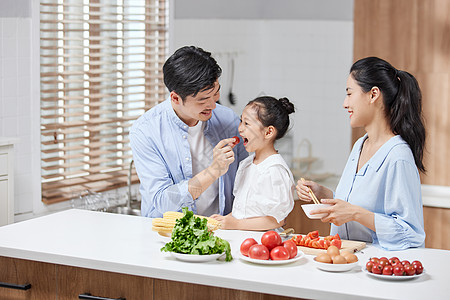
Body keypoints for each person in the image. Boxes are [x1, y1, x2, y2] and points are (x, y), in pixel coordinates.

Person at [296, 57, 426, 250]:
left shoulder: (398, 156)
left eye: (349, 93)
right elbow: (355, 205)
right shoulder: (360, 145)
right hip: (348, 262)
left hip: (379, 270)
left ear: (373, 94)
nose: (344, 103)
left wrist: (355, 214)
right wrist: (323, 194)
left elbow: (410, 234)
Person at [130, 46, 248, 218]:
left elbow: (250, 176)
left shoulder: (228, 120)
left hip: (222, 231)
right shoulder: (146, 132)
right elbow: (163, 201)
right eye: (203, 100)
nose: (213, 105)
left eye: (216, 93)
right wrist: (214, 170)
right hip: (169, 235)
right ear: (175, 98)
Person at [211, 96, 296, 231]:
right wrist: (226, 219)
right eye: (241, 121)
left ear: (268, 132)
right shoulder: (247, 164)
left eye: (247, 123)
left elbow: (276, 220)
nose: (240, 129)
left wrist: (235, 224)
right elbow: (244, 209)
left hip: (263, 242)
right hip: (243, 238)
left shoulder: (274, 170)